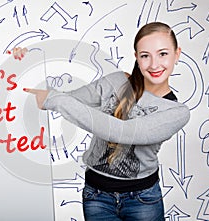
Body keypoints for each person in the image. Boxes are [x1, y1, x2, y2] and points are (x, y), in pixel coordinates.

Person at [14, 22, 190, 221]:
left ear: (177, 54)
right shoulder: (116, 82)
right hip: (96, 197)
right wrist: (26, 63)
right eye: (145, 55)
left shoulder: (177, 112)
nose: (154, 64)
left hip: (142, 201)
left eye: (163, 54)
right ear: (137, 58)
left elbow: (121, 131)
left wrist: (55, 99)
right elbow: (66, 99)